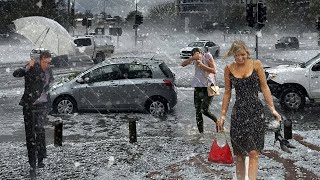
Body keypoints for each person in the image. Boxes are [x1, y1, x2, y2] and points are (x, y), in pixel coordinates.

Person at [216, 40, 281, 180]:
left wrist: (272, 109)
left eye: (242, 55)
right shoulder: (228, 68)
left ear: (247, 52)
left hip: (256, 112)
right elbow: (227, 93)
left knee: (253, 152)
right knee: (239, 154)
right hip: (238, 113)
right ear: (233, 55)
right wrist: (222, 115)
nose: (240, 58)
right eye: (236, 56)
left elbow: (264, 87)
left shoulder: (256, 64)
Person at [13, 50, 54, 178]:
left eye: (49, 62)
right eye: (45, 62)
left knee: (40, 131)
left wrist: (48, 93)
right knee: (31, 136)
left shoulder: (49, 71)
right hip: (30, 106)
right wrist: (27, 67)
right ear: (39, 60)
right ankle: (32, 165)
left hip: (42, 106)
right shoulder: (31, 68)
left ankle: (41, 158)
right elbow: (16, 74)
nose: (47, 64)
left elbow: (49, 83)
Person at [181, 47, 218, 134]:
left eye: (198, 54)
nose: (198, 57)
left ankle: (217, 121)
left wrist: (201, 65)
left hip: (211, 86)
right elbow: (182, 64)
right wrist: (192, 58)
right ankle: (201, 133)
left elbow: (214, 70)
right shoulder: (194, 59)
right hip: (198, 86)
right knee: (197, 111)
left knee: (204, 110)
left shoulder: (207, 56)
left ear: (201, 52)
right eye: (195, 55)